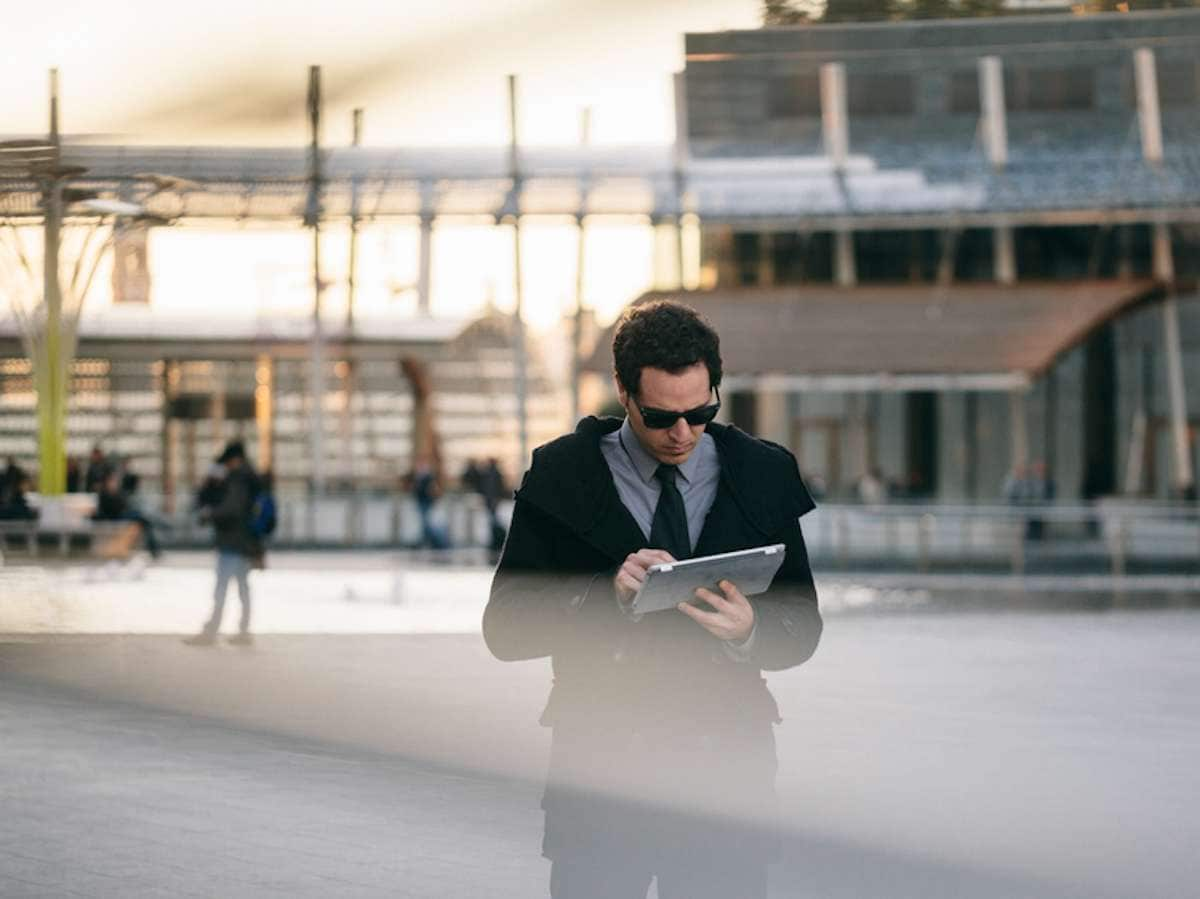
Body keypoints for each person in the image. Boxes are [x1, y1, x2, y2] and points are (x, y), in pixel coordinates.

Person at [483, 300, 823, 899]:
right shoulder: (565, 474)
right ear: (623, 390)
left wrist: (749, 629)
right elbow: (504, 629)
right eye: (662, 417)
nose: (683, 433)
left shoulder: (761, 475)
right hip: (602, 778)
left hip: (727, 780)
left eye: (701, 411)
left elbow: (803, 628)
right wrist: (604, 596)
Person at [184, 441, 262, 647]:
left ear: (234, 460)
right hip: (246, 542)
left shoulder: (239, 479)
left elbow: (231, 509)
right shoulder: (250, 477)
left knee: (221, 588)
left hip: (232, 541)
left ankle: (211, 631)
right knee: (242, 588)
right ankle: (244, 631)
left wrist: (210, 513)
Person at [93, 468, 162, 558]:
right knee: (143, 519)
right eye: (113, 480)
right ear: (107, 482)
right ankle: (154, 548)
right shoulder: (104, 494)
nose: (115, 482)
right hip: (116, 516)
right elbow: (110, 509)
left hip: (122, 514)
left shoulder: (116, 492)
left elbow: (123, 504)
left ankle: (154, 546)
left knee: (142, 518)